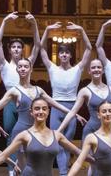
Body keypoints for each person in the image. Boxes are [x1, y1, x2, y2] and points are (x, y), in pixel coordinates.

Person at [0, 57, 78, 176]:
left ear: (31, 69)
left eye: (25, 66)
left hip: (39, 132)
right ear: (17, 70)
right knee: (22, 169)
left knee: (38, 164)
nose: (23, 69)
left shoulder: (38, 90)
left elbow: (54, 103)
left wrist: (73, 113)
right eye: (20, 67)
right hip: (20, 130)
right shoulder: (14, 91)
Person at [0, 97, 83, 176]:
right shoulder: (24, 135)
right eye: (37, 109)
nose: (41, 111)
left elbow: (79, 153)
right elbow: (2, 156)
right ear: (31, 112)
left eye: (44, 109)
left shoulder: (57, 135)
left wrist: (94, 159)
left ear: (48, 112)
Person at [39, 21, 92, 176]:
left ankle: (64, 172)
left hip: (72, 109)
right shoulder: (52, 68)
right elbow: (41, 48)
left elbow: (89, 49)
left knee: (67, 144)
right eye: (61, 52)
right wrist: (47, 29)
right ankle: (64, 172)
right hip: (55, 108)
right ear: (58, 55)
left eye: (66, 53)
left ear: (70, 55)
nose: (63, 55)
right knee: (57, 143)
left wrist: (81, 30)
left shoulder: (77, 69)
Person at [59, 58, 111, 139]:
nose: (96, 69)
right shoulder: (84, 91)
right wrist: (59, 130)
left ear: (103, 70)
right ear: (89, 71)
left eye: (99, 67)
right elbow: (72, 112)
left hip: (109, 131)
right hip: (91, 131)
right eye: (93, 67)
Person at [0, 12, 41, 137]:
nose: (16, 49)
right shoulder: (4, 65)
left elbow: (37, 45)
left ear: (22, 50)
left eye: (19, 47)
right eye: (13, 47)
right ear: (10, 50)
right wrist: (4, 21)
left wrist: (34, 24)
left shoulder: (27, 63)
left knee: (29, 134)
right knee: (9, 133)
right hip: (10, 102)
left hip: (27, 100)